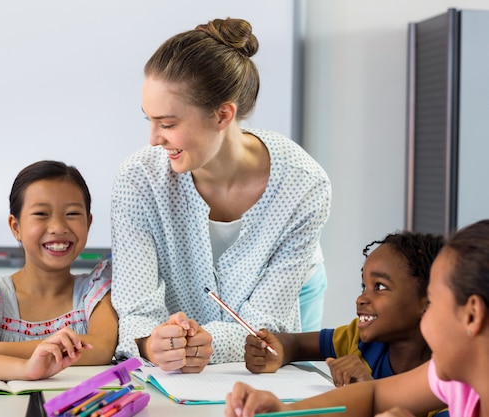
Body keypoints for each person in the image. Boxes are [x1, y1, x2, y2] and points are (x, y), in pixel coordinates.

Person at [111, 17, 332, 373]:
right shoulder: (138, 180)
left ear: (223, 115)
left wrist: (210, 345)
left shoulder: (304, 186)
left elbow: (265, 325)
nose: (153, 139)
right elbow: (136, 311)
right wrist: (150, 343)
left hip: (289, 298)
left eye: (168, 124)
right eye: (149, 120)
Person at [225, 219, 489, 417]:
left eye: (434, 303)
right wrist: (287, 411)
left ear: (472, 315)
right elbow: (373, 395)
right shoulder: (455, 379)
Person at [0, 161, 117, 381]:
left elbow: (102, 348)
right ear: (15, 227)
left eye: (72, 214)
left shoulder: (96, 292)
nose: (58, 227)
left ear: (88, 222)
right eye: (41, 213)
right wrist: (27, 369)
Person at [245, 231, 444, 388]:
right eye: (363, 287)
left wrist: (369, 394)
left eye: (380, 287)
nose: (361, 299)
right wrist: (279, 351)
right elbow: (298, 344)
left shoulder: (448, 375)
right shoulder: (357, 339)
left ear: (426, 303)